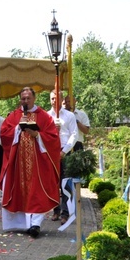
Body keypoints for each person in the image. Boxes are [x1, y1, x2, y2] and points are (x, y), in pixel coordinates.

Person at [0, 87, 60, 238]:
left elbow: (53, 138)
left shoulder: (44, 116)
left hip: (38, 162)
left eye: (28, 98)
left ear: (34, 98)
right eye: (23, 98)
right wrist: (17, 129)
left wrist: (37, 134)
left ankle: (35, 224)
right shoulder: (14, 115)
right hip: (18, 163)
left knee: (37, 192)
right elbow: (4, 133)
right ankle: (21, 224)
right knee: (20, 192)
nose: (25, 101)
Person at [47, 91, 77, 224]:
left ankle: (65, 213)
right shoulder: (47, 116)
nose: (54, 101)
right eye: (52, 98)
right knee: (52, 183)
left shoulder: (69, 116)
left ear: (61, 99)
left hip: (65, 150)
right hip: (51, 152)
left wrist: (64, 151)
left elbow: (74, 134)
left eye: (56, 98)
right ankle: (56, 210)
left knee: (65, 183)